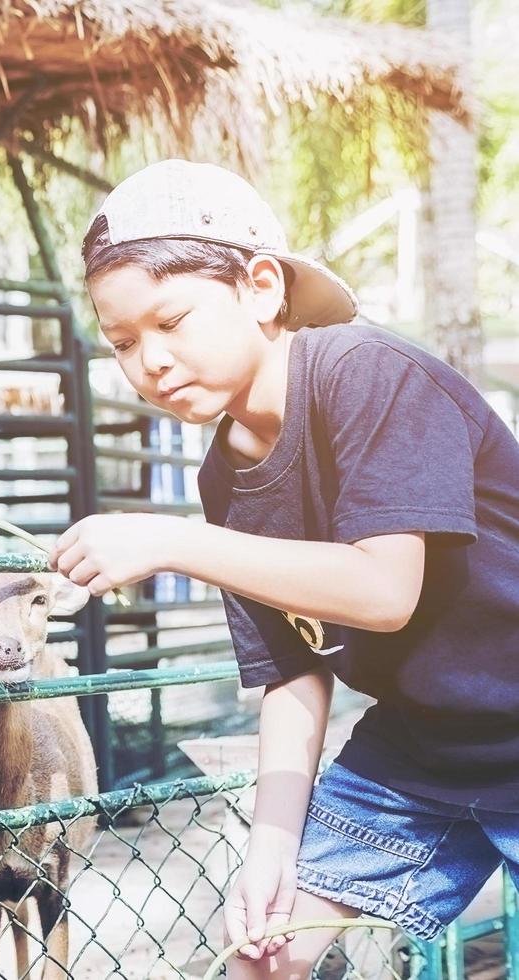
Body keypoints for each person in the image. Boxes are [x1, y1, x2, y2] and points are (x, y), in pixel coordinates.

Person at [50, 159, 519, 977]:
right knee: (262, 953)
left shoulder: (364, 371)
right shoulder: (221, 476)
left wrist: (173, 542)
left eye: (172, 321)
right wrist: (272, 848)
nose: (149, 361)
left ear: (262, 288)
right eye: (123, 342)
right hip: (424, 752)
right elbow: (295, 671)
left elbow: (382, 591)